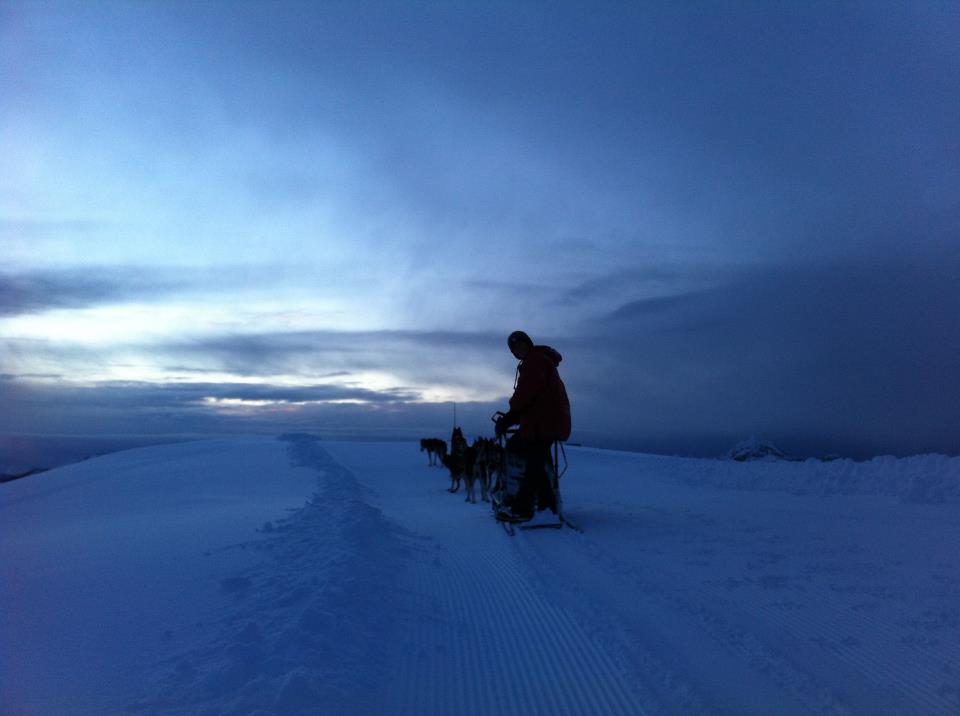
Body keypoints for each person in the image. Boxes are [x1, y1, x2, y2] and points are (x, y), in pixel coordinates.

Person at [495, 330, 571, 522]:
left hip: (545, 423)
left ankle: (523, 509)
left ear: (528, 344)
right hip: (544, 421)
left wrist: (510, 417)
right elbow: (533, 398)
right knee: (537, 460)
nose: (516, 351)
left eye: (519, 345)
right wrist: (512, 418)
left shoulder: (535, 362)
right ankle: (548, 505)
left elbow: (525, 395)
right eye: (513, 349)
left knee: (532, 462)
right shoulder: (538, 361)